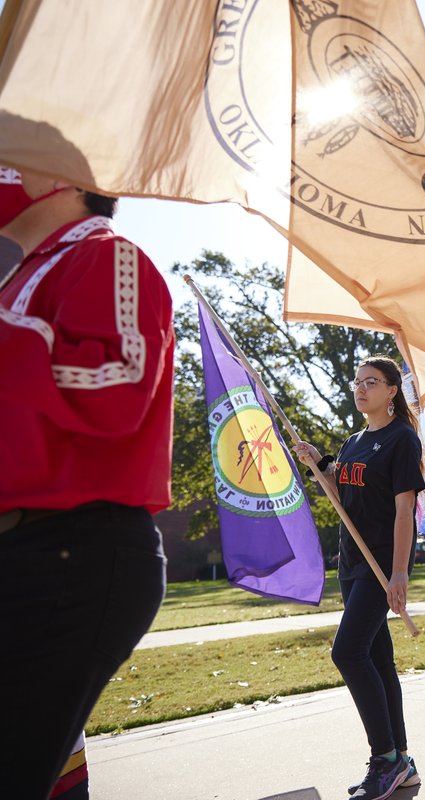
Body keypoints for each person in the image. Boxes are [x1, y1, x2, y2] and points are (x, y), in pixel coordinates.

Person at [0, 167, 173, 798]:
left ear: (67, 177)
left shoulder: (107, 253)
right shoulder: (21, 280)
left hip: (68, 553)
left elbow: (121, 385)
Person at [294, 356, 424, 799]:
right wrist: (321, 466)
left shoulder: (401, 440)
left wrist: (400, 571)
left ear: (392, 391)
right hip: (350, 564)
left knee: (348, 654)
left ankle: (384, 758)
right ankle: (402, 761)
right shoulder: (353, 441)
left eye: (372, 382)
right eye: (358, 382)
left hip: (380, 565)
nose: (361, 388)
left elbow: (404, 508)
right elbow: (342, 494)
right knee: (378, 660)